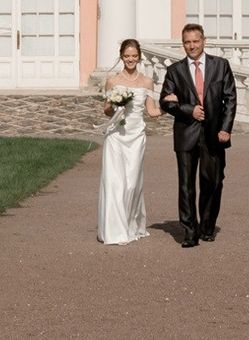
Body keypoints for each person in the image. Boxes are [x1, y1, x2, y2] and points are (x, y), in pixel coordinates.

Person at [158, 22, 235, 247]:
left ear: (203, 41)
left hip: (214, 134)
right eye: (187, 42)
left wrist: (226, 128)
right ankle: (190, 231)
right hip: (185, 134)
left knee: (213, 181)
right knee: (186, 185)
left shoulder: (221, 66)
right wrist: (187, 109)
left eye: (195, 41)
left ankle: (207, 227)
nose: (191, 46)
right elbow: (165, 101)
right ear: (183, 44)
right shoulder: (175, 71)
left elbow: (230, 99)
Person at [95, 38, 156, 245]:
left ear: (139, 57)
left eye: (134, 56)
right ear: (122, 56)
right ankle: (116, 231)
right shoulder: (113, 81)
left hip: (136, 135)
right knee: (115, 183)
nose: (131, 59)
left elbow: (152, 111)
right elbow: (106, 110)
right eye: (127, 56)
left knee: (132, 183)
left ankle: (131, 225)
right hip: (116, 136)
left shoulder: (147, 82)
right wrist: (115, 105)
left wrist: (170, 106)